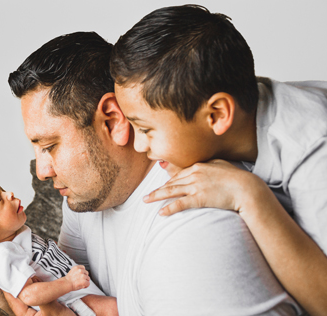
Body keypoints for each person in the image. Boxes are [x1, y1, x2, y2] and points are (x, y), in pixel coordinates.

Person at [0, 32, 303, 316]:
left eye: (50, 145)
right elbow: (54, 301)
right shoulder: (85, 200)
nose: (41, 170)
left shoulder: (189, 230)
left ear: (112, 120)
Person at [110, 4, 327, 316]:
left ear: (217, 114)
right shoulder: (240, 115)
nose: (139, 144)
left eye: (145, 129)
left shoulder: (313, 148)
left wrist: (248, 195)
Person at [0, 178, 115, 316]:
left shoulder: (12, 240)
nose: (9, 194)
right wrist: (69, 282)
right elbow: (28, 295)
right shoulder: (0, 255)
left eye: (3, 190)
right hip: (72, 305)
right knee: (117, 309)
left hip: (77, 297)